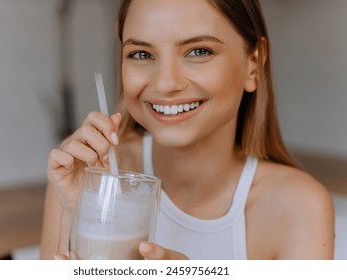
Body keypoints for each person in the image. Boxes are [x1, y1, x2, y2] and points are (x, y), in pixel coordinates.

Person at [40, 0, 335, 260]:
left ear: (253, 64)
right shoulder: (83, 175)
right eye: (142, 54)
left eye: (199, 51)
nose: (166, 83)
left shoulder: (300, 208)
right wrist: (76, 218)